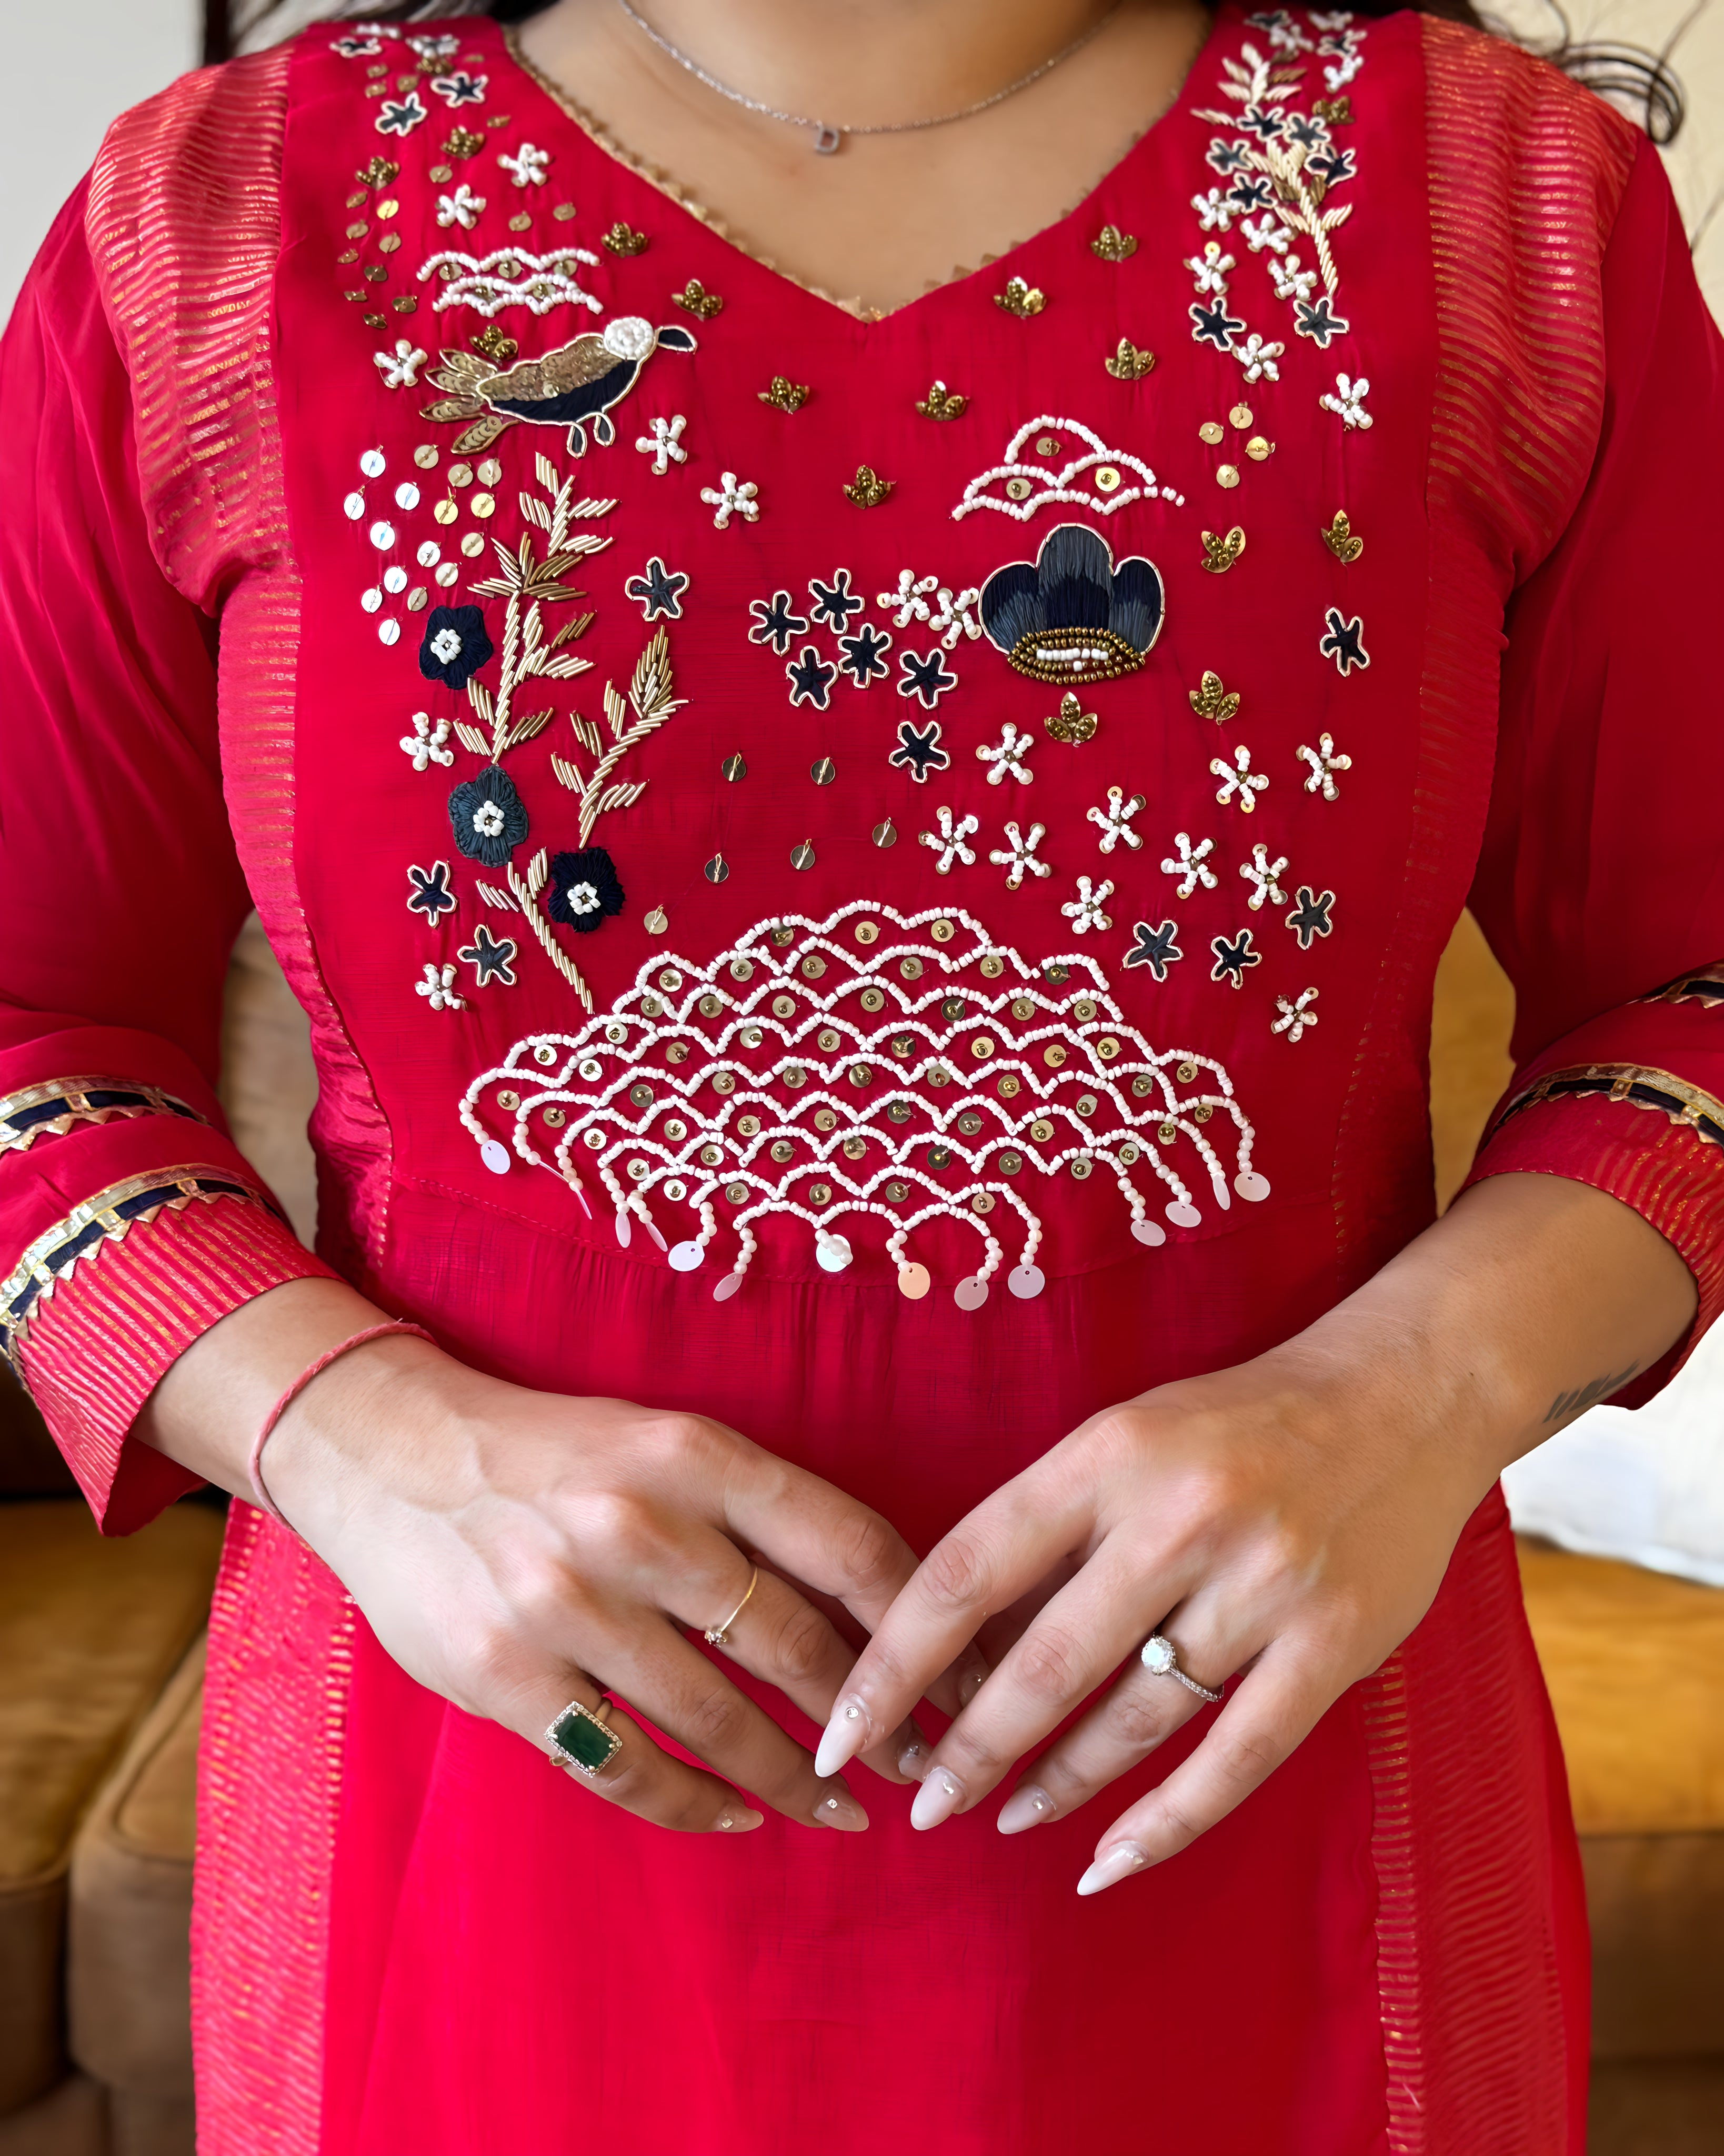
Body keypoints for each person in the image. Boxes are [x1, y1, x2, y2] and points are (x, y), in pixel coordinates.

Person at [2, 1, 1719, 2149]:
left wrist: (1422, 1392)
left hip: (1279, 1805)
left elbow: (1688, 988)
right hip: (475, 1836)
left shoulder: (1499, 209)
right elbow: (30, 1028)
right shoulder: (225, 226)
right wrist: (354, 1437)